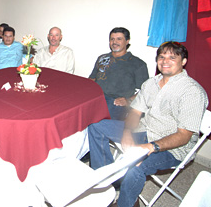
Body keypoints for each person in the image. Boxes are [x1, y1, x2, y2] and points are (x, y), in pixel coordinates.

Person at [88, 42, 208, 207]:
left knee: (135, 166)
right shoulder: (151, 83)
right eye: (162, 57)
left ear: (184, 61)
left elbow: (184, 136)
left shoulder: (192, 92)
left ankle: (125, 202)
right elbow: (135, 112)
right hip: (145, 129)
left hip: (173, 147)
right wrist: (127, 133)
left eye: (172, 57)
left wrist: (149, 147)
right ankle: (107, 180)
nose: (165, 61)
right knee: (96, 126)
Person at [89, 27, 149, 120]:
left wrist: (128, 101)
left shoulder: (138, 64)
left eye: (119, 39)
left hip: (115, 102)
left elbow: (145, 91)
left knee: (101, 124)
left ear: (127, 41)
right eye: (112, 39)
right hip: (96, 98)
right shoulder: (102, 58)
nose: (114, 42)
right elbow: (92, 79)